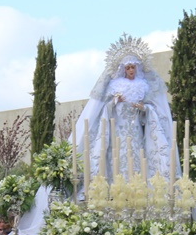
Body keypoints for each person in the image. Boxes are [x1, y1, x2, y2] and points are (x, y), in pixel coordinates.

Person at [73, 33, 177, 184]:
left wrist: (144, 109)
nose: (131, 70)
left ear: (137, 68)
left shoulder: (143, 86)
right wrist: (115, 101)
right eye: (128, 68)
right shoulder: (115, 86)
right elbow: (106, 110)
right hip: (118, 132)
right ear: (123, 69)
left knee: (137, 158)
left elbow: (149, 113)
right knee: (118, 159)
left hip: (135, 132)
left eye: (133, 67)